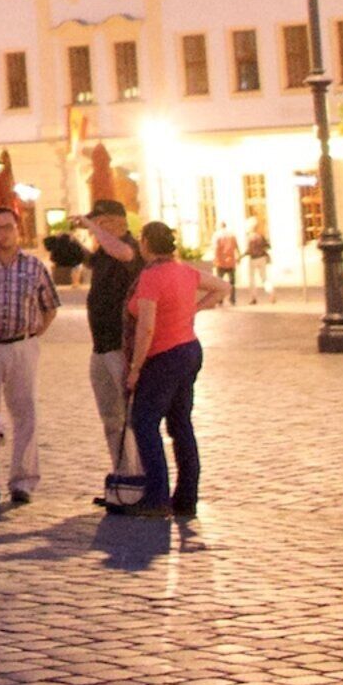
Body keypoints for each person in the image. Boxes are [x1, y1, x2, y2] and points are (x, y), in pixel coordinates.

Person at [109, 220, 205, 519]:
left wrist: (136, 367)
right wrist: (193, 310)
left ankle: (156, 496)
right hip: (189, 348)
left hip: (164, 355)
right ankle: (186, 497)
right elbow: (222, 287)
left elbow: (146, 327)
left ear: (147, 243)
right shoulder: (183, 270)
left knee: (145, 422)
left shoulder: (152, 276)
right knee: (180, 424)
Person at [0, 203, 58, 508]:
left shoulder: (33, 265)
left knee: (26, 414)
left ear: (18, 229)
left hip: (23, 345)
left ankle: (22, 481)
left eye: (7, 227)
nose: (2, 234)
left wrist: (36, 333)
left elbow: (50, 304)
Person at [79, 200, 142, 489]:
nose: (96, 232)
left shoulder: (131, 246)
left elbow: (124, 254)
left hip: (121, 346)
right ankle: (122, 473)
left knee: (131, 415)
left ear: (118, 223)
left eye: (101, 224)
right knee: (110, 417)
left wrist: (92, 227)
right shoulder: (102, 252)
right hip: (100, 345)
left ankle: (140, 475)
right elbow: (90, 260)